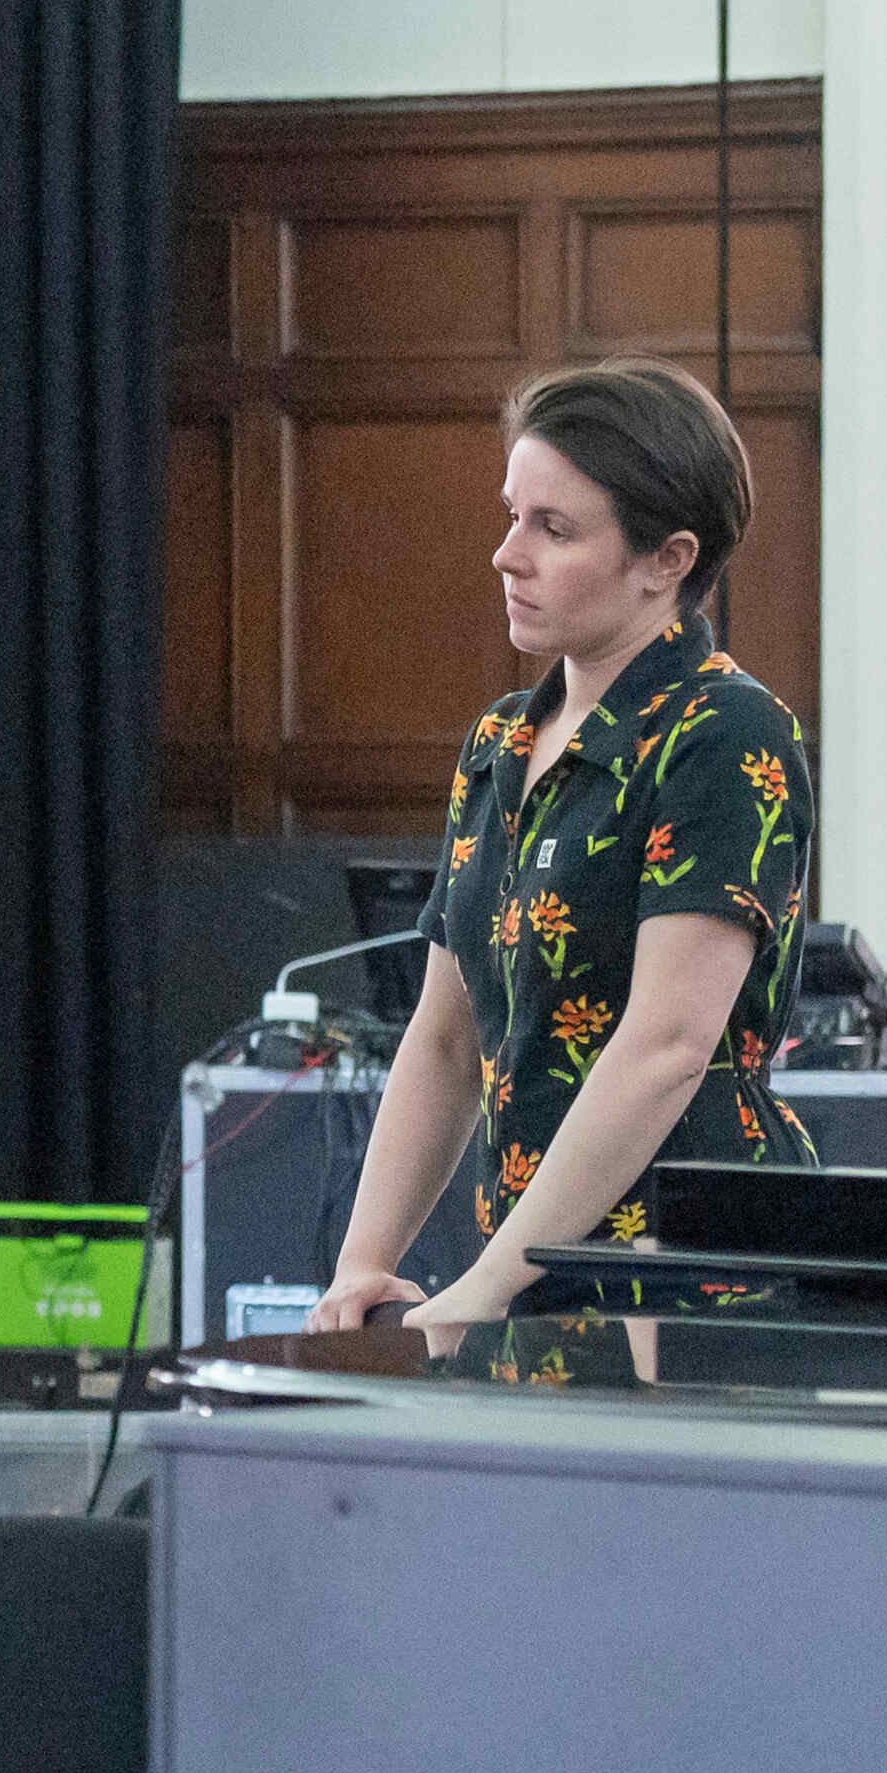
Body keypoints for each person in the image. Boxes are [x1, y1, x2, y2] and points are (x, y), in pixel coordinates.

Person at [312, 357, 817, 1336]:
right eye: (512, 515)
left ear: (667, 559)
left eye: (554, 528)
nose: (508, 553)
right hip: (535, 1273)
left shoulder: (723, 731)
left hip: (690, 1275)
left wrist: (488, 1284)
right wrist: (364, 1265)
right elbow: (447, 1037)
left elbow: (668, 1047)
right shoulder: (500, 741)